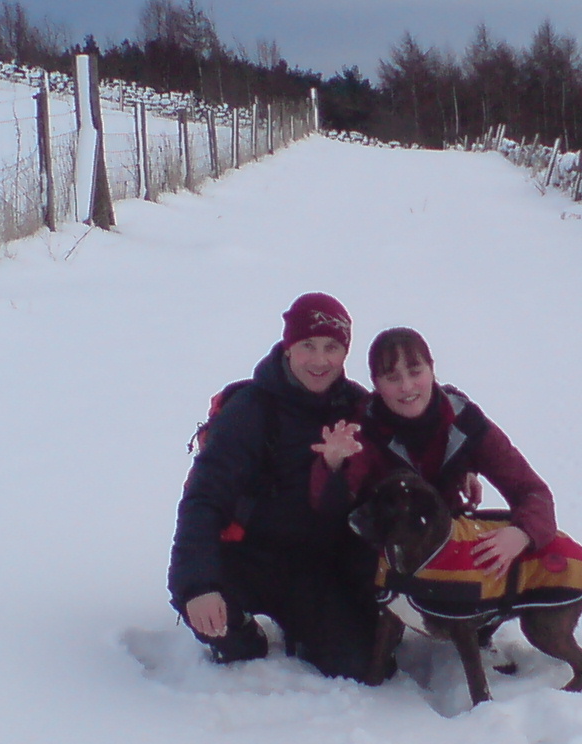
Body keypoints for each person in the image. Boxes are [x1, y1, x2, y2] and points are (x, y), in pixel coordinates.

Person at [167, 292, 382, 681]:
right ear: (288, 346)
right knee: (231, 641)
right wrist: (198, 586)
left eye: (332, 347)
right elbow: (203, 500)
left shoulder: (357, 408)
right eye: (308, 345)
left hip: (316, 567)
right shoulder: (250, 410)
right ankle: (241, 631)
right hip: (244, 559)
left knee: (361, 666)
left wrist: (460, 470)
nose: (319, 360)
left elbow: (405, 454)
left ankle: (309, 632)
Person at [316, 326, 559, 579]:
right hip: (382, 559)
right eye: (392, 378)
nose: (406, 387)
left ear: (432, 369)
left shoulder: (464, 421)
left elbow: (532, 490)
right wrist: (332, 467)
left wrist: (522, 533)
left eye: (415, 372)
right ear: (376, 384)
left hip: (448, 547)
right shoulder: (361, 430)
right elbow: (330, 508)